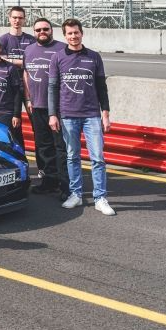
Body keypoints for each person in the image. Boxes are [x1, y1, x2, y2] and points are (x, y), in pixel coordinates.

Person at [49, 18, 115, 216]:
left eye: (76, 32)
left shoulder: (94, 57)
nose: (73, 36)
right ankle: (75, 194)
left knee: (98, 158)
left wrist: (105, 114)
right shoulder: (57, 58)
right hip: (68, 116)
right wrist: (52, 115)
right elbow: (52, 88)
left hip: (91, 115)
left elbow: (102, 87)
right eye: (69, 33)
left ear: (81, 33)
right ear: (65, 36)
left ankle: (100, 198)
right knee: (72, 157)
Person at [23, 18, 69, 197]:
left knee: (61, 147)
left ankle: (65, 185)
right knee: (44, 147)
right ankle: (50, 182)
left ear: (51, 30)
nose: (42, 32)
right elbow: (26, 74)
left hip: (58, 108)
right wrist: (28, 98)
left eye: (45, 29)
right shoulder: (29, 50)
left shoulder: (62, 48)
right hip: (37, 106)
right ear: (34, 32)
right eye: (38, 30)